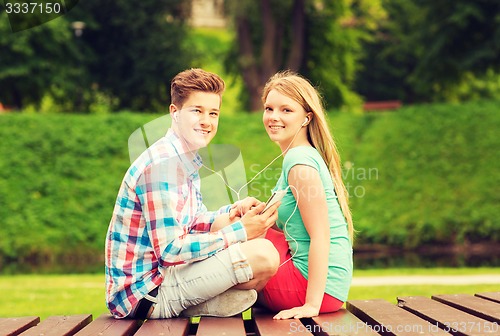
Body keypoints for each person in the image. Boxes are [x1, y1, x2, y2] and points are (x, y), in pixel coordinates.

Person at [105, 68, 280, 320]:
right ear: (174, 113)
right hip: (145, 293)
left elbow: (195, 222)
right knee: (263, 254)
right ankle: (196, 304)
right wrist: (240, 232)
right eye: (196, 111)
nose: (206, 121)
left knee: (248, 235)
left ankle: (199, 304)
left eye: (213, 113)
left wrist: (234, 212)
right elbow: (170, 251)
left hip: (165, 277)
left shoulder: (184, 161)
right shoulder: (161, 167)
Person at [259, 70, 354, 319]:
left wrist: (311, 306)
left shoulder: (299, 161)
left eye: (286, 110)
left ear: (306, 118)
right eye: (269, 108)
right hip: (315, 283)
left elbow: (321, 236)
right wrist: (258, 209)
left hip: (312, 288)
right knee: (239, 228)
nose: (273, 117)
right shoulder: (298, 155)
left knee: (236, 238)